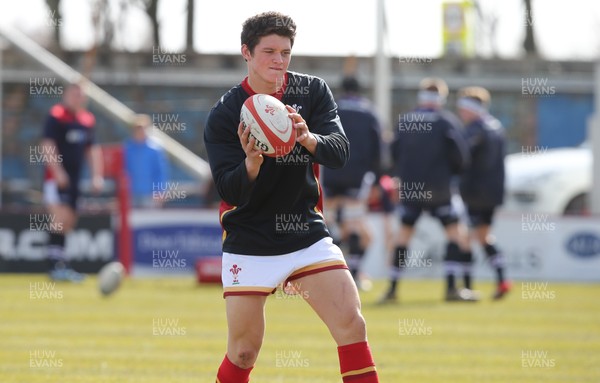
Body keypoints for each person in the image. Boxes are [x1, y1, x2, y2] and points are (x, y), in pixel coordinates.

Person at [203, 12, 379, 383]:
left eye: (285, 52)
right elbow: (227, 189)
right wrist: (251, 162)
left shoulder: (312, 92)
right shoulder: (224, 114)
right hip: (249, 237)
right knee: (244, 350)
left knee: (351, 324)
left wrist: (308, 138)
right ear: (246, 53)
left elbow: (339, 151)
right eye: (269, 51)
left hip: (306, 233)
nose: (278, 60)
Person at [381, 77, 475, 303]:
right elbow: (462, 157)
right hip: (439, 188)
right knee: (453, 234)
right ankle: (452, 288)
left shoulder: (405, 120)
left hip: (411, 188)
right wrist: (450, 175)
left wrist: (399, 177)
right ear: (440, 99)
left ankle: (392, 289)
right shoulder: (446, 122)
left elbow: (391, 154)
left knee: (403, 236)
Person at [321, 76, 382, 290]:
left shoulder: (330, 109)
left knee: (332, 223)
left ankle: (331, 272)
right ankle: (352, 275)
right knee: (356, 227)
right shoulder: (369, 113)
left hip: (330, 173)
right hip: (357, 175)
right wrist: (376, 177)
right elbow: (378, 148)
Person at [41, 83, 104, 281]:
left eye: (81, 95)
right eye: (74, 94)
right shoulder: (56, 116)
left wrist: (96, 175)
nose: (78, 98)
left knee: (69, 221)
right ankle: (54, 266)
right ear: (66, 95)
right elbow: (47, 145)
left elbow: (92, 150)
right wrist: (58, 171)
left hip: (76, 180)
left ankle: (62, 264)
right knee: (59, 218)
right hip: (57, 179)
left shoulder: (86, 120)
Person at [456, 86, 511, 300]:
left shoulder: (475, 129)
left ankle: (467, 287)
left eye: (463, 108)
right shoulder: (496, 127)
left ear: (471, 109)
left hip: (474, 193)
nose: (461, 113)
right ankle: (502, 279)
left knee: (466, 238)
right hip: (493, 193)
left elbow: (461, 158)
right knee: (484, 236)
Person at [123, 114, 169, 208]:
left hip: (150, 195)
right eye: (137, 128)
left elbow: (160, 172)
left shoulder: (155, 149)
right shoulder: (126, 148)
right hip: (131, 194)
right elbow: (124, 170)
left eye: (142, 128)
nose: (140, 131)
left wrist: (159, 191)